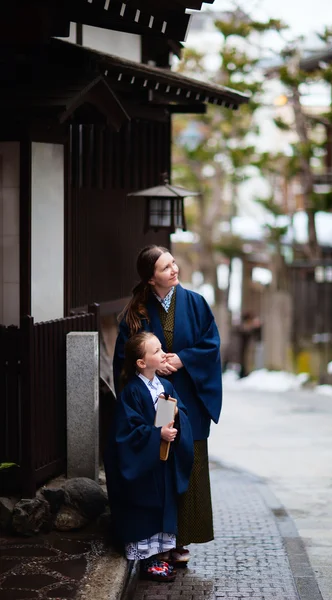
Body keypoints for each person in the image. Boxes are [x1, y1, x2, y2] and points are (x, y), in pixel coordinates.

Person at [113, 245, 222, 566]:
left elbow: (211, 345)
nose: (174, 270)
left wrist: (183, 358)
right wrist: (151, 366)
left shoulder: (195, 303)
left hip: (189, 393)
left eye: (173, 264)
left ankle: (182, 538)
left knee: (191, 461)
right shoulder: (137, 311)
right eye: (165, 268)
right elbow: (125, 355)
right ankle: (164, 538)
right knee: (164, 460)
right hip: (160, 398)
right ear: (150, 278)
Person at [104, 331, 194, 582]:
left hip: (162, 462)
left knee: (163, 504)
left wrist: (175, 420)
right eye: (156, 351)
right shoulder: (131, 392)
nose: (163, 353)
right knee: (144, 507)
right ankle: (146, 559)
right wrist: (157, 435)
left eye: (161, 348)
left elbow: (180, 411)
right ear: (141, 363)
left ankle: (162, 555)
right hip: (144, 462)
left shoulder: (166, 385)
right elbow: (127, 432)